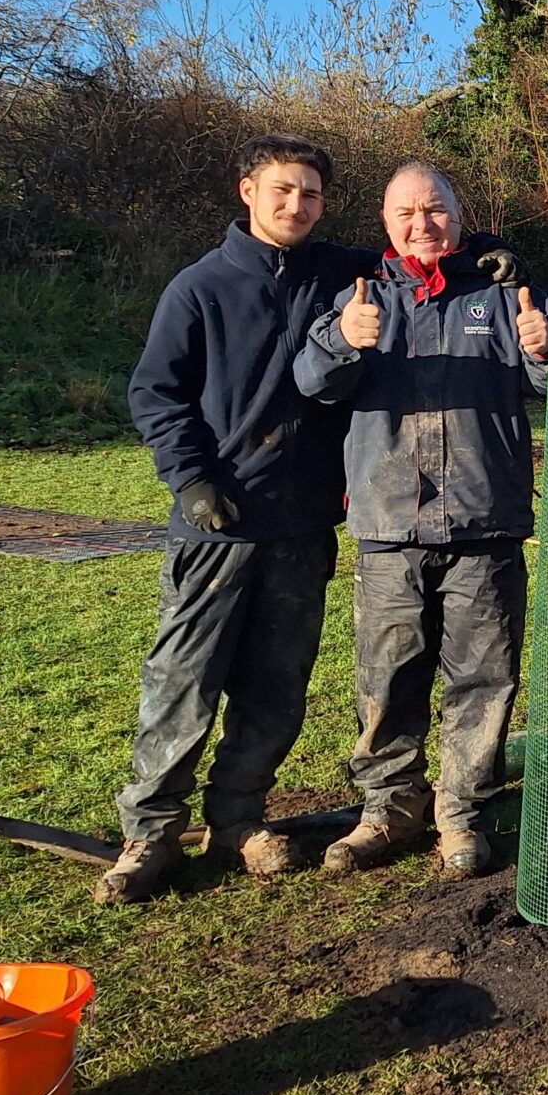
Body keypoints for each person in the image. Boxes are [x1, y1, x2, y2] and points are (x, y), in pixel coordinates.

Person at [97, 136, 380, 905]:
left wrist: (486, 247)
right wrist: (190, 479)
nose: (297, 205)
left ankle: (239, 821)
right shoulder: (200, 288)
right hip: (217, 523)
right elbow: (156, 393)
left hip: (301, 525)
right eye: (283, 190)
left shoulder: (338, 274)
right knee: (183, 681)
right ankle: (149, 834)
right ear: (247, 190)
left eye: (311, 195)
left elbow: (422, 238)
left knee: (276, 687)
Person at [293, 162, 548, 879]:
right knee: (386, 677)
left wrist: (547, 347)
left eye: (436, 210)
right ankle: (387, 808)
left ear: (458, 213)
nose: (422, 225)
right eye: (406, 213)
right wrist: (342, 342)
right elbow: (311, 382)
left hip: (485, 521)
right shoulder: (361, 298)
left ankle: (461, 812)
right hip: (389, 524)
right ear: (386, 224)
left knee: (483, 679)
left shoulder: (504, 292)